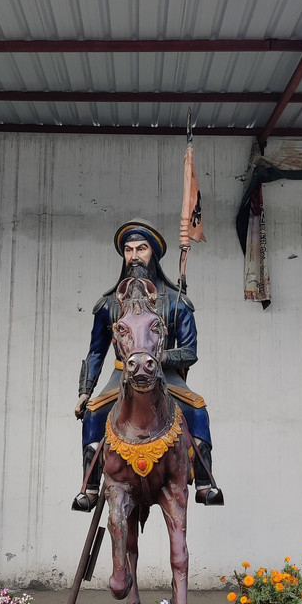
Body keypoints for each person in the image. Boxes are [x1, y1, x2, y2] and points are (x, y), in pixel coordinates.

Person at [72, 218, 222, 511]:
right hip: (122, 374)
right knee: (93, 414)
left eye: (141, 248)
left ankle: (205, 482)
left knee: (198, 409)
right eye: (128, 250)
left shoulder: (178, 302)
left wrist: (163, 358)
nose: (134, 256)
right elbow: (95, 352)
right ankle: (88, 486)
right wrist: (84, 390)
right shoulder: (107, 305)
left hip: (165, 374)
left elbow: (190, 351)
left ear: (153, 253)